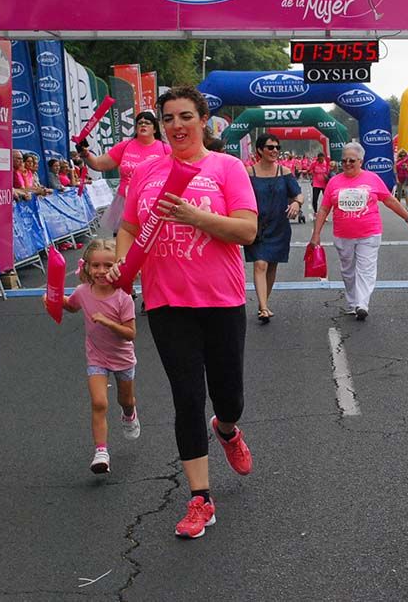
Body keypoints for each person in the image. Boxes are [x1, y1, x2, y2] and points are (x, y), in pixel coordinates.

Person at [107, 85, 258, 539]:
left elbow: (248, 231)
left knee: (228, 396)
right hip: (168, 302)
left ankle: (228, 430)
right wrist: (121, 262)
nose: (176, 126)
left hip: (222, 299)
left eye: (185, 116)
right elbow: (130, 228)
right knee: (187, 397)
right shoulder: (147, 172)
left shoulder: (226, 167)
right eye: (169, 117)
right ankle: (200, 498)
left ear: (202, 120)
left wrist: (196, 218)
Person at [49, 239, 140, 474]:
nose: (101, 271)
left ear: (117, 267)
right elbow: (71, 306)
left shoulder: (123, 298)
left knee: (126, 400)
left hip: (122, 359)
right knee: (99, 403)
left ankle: (129, 414)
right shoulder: (83, 291)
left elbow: (131, 334)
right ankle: (101, 451)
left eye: (107, 265)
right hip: (96, 357)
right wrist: (53, 301)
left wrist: (109, 322)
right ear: (87, 267)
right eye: (95, 265)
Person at [310, 141, 408, 321]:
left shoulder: (373, 179)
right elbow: (324, 209)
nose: (347, 164)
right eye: (344, 161)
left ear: (361, 161)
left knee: (365, 269)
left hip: (369, 233)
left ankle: (362, 304)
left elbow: (390, 200)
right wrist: (316, 234)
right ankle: (352, 303)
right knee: (348, 271)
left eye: (351, 160)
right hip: (343, 235)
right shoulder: (334, 182)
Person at [77, 110, 170, 232]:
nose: (143, 125)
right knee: (124, 240)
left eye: (147, 123)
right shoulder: (125, 146)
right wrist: (86, 154)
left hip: (152, 202)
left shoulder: (165, 149)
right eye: (140, 123)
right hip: (125, 202)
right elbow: (98, 164)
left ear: (155, 129)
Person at [246, 134, 303, 323]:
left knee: (271, 265)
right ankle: (263, 307)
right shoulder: (248, 173)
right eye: (270, 147)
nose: (275, 151)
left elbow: (298, 194)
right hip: (257, 226)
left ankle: (265, 302)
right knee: (260, 263)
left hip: (279, 225)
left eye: (277, 147)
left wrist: (296, 204)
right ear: (260, 150)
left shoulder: (284, 172)